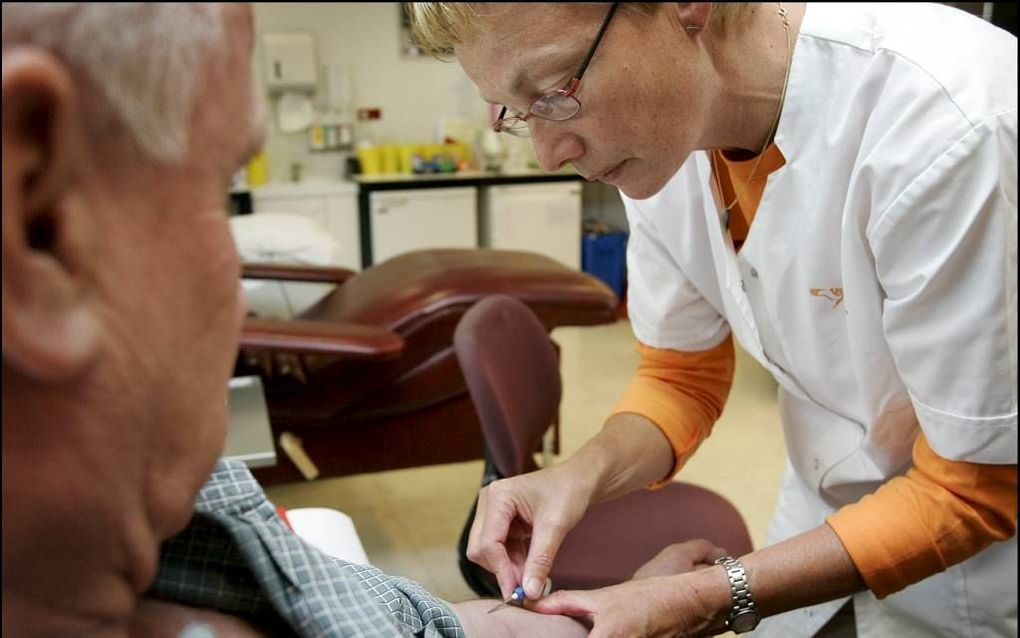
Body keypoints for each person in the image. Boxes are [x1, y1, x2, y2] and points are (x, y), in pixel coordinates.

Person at [2, 3, 653, 636]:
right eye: (220, 187)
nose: (233, 295)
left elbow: (421, 622)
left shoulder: (180, 526)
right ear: (39, 229)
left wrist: (631, 609)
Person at [408, 2, 1018, 636]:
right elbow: (682, 377)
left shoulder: (952, 119)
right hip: (821, 517)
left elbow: (977, 486)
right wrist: (574, 478)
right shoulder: (667, 133)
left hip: (976, 574)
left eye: (558, 90)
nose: (549, 153)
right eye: (516, 113)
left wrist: (707, 594)